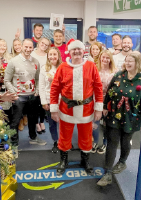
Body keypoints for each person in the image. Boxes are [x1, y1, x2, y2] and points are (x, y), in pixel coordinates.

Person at [50, 39, 103, 175]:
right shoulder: (62, 67)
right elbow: (55, 88)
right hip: (66, 109)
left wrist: (98, 108)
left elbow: (98, 87)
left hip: (87, 109)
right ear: (69, 51)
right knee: (64, 137)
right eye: (74, 49)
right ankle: (64, 160)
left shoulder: (91, 66)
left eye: (79, 49)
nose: (77, 52)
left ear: (83, 51)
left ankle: (85, 161)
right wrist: (54, 109)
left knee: (86, 137)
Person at [97, 52, 141, 186]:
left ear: (137, 63)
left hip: (132, 116)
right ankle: (107, 172)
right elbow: (110, 91)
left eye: (131, 61)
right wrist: (105, 106)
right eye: (126, 61)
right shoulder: (118, 75)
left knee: (126, 140)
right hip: (115, 114)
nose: (127, 63)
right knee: (112, 142)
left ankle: (122, 161)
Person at [4, 38, 47, 146]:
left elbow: (38, 79)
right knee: (15, 120)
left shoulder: (35, 61)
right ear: (22, 47)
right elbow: (6, 80)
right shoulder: (13, 61)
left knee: (33, 119)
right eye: (26, 47)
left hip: (32, 96)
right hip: (19, 97)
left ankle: (33, 137)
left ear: (33, 48)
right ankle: (14, 142)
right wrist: (14, 94)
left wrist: (37, 91)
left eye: (30, 47)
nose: (28, 49)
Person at [92, 50, 118, 154]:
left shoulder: (115, 71)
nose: (105, 59)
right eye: (103, 57)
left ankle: (104, 144)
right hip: (95, 100)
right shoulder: (95, 69)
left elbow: (115, 90)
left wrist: (106, 106)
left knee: (107, 125)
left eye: (107, 58)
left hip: (109, 102)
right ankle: (94, 142)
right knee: (95, 123)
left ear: (110, 59)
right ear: (100, 58)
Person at [39, 47, 62, 153]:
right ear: (48, 56)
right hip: (49, 100)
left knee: (64, 123)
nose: (52, 57)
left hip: (62, 100)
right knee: (52, 123)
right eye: (50, 55)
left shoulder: (63, 67)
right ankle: (55, 142)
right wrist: (43, 102)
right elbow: (42, 86)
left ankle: (64, 141)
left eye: (55, 54)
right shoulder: (44, 69)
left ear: (58, 56)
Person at [31, 37, 51, 134]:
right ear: (38, 43)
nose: (44, 45)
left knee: (43, 101)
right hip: (33, 81)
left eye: (46, 45)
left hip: (44, 82)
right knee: (35, 104)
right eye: (42, 43)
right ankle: (36, 123)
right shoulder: (32, 54)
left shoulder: (47, 55)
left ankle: (42, 121)